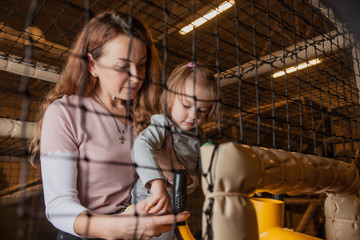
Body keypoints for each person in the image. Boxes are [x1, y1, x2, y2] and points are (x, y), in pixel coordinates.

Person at [28, 11, 189, 240]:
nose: (136, 77)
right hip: (89, 232)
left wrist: (170, 172)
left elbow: (183, 182)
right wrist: (118, 227)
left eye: (141, 65)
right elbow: (58, 207)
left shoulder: (147, 115)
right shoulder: (66, 113)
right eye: (122, 66)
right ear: (92, 64)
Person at [130, 62, 218, 235]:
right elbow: (141, 146)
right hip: (150, 198)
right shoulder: (163, 124)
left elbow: (195, 177)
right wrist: (158, 185)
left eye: (201, 110)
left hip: (177, 201)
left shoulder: (197, 136)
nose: (193, 116)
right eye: (186, 106)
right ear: (170, 101)